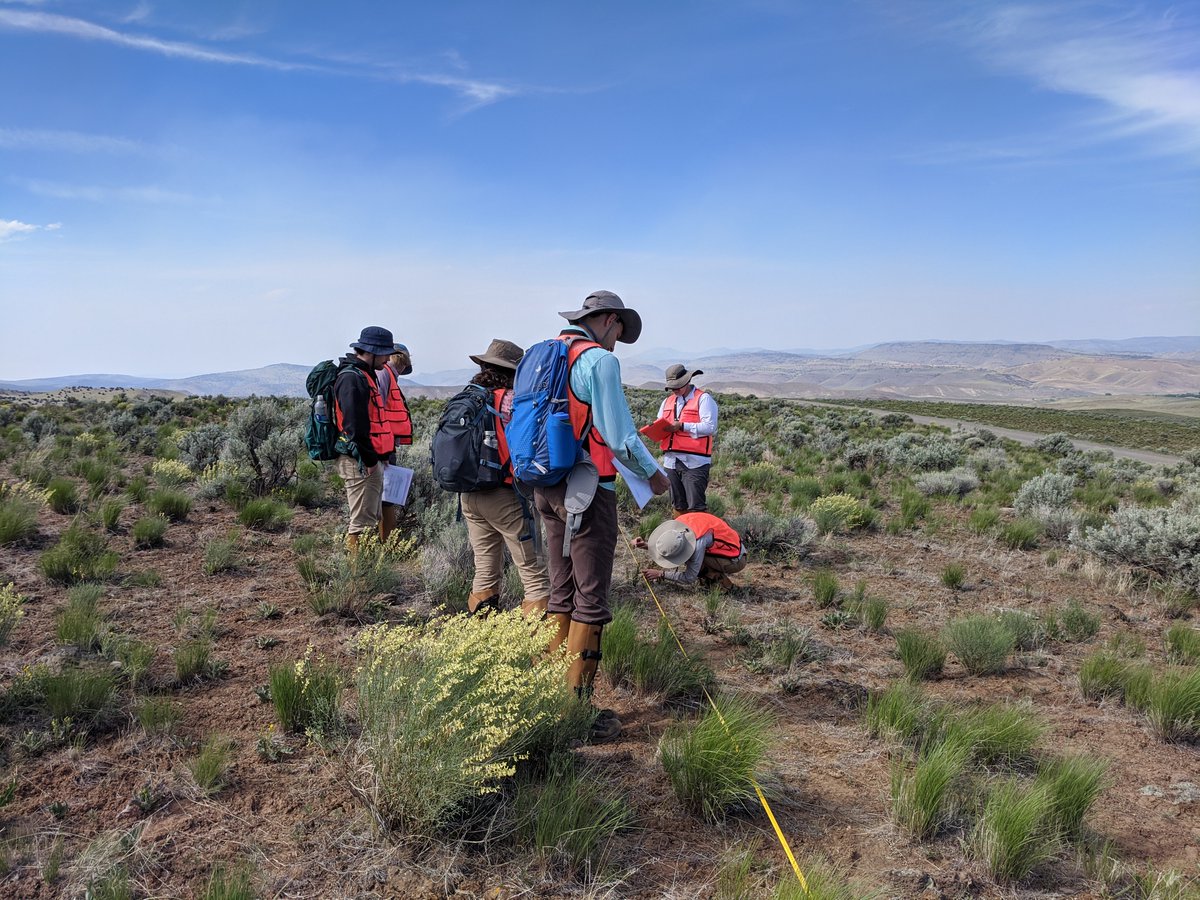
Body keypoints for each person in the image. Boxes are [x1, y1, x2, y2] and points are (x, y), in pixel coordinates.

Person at [533, 290, 670, 742]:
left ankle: (549, 696)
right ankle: (574, 711)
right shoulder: (598, 361)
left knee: (560, 588)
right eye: (619, 333)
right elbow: (619, 434)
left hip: (546, 486)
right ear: (609, 320)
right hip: (589, 491)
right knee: (590, 597)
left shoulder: (545, 353)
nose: (617, 344)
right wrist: (652, 476)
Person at [460, 339, 551, 618]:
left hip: (469, 494)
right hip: (505, 495)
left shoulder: (467, 397)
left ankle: (482, 632)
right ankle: (543, 646)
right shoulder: (512, 400)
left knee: (485, 568)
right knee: (534, 571)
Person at [333, 326, 395, 552]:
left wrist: (381, 456)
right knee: (361, 521)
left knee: (369, 515)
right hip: (358, 461)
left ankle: (364, 569)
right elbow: (354, 427)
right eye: (385, 353)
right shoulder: (352, 378)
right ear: (371, 351)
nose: (388, 359)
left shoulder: (363, 375)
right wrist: (370, 461)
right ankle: (358, 576)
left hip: (367, 460)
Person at [654, 364, 718, 516]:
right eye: (672, 388)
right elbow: (659, 422)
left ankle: (700, 538)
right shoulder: (667, 402)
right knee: (678, 505)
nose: (675, 390)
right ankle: (680, 538)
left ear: (687, 381)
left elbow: (710, 427)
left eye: (678, 386)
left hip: (695, 462)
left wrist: (682, 426)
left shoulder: (703, 399)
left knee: (696, 507)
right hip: (671, 461)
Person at [636, 512, 747, 589]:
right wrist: (647, 545)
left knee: (693, 560)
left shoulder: (697, 543)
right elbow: (673, 543)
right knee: (692, 556)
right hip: (731, 546)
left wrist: (661, 574)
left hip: (737, 560)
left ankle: (721, 585)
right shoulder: (679, 524)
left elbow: (689, 577)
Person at [375, 343, 413, 543]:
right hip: (382, 446)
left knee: (387, 497)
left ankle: (387, 542)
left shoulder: (389, 375)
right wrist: (383, 449)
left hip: (386, 445)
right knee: (384, 497)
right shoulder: (384, 375)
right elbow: (376, 412)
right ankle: (385, 543)